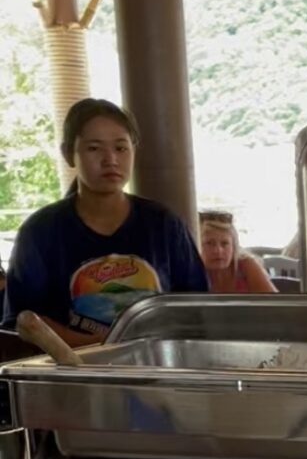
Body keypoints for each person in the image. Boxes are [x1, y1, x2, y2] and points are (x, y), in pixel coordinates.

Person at [1, 99, 209, 346]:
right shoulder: (40, 231)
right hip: (72, 377)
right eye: (94, 148)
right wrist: (98, 347)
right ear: (69, 154)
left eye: (121, 148)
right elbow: (24, 321)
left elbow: (195, 307)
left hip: (158, 369)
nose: (110, 159)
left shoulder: (163, 224)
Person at [198, 210, 277, 293]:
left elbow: (274, 303)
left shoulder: (246, 265)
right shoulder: (192, 270)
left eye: (225, 244)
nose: (218, 251)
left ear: (234, 247)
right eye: (209, 243)